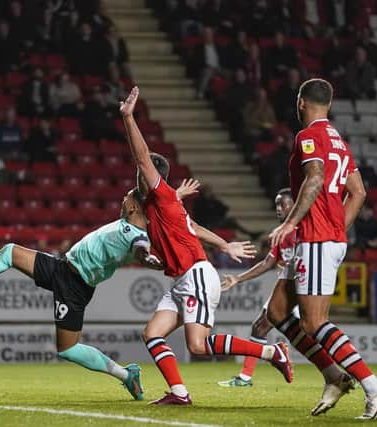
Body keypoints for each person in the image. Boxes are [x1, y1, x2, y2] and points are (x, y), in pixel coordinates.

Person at [0, 183, 200, 401]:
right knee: (9, 253)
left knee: (67, 348)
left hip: (74, 285)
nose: (123, 200)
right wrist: (175, 195)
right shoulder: (132, 222)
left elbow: (141, 249)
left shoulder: (137, 236)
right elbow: (153, 208)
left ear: (132, 208)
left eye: (126, 198)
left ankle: (126, 375)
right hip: (62, 268)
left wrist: (146, 258)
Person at [119, 87, 292, 406]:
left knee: (197, 346)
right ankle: (179, 393)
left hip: (195, 275)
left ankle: (271, 352)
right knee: (152, 334)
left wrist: (129, 117)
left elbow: (142, 157)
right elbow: (193, 227)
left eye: (141, 174)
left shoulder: (161, 194)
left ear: (152, 176)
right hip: (180, 279)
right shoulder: (165, 205)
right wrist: (225, 245)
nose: (138, 176)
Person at [267, 78, 377, 419]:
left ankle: (375, 387)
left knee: (315, 322)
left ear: (301, 102)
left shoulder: (309, 137)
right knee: (276, 311)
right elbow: (359, 191)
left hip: (317, 238)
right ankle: (334, 375)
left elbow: (315, 178)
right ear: (329, 105)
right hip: (321, 236)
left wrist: (291, 222)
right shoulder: (339, 140)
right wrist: (336, 228)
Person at [218, 188, 305, 387]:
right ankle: (246, 377)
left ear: (294, 205)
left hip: (305, 288)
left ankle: (342, 372)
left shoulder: (304, 229)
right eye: (276, 204)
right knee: (260, 326)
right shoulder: (282, 235)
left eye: (282, 204)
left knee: (313, 331)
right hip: (288, 288)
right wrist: (238, 279)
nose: (278, 209)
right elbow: (267, 263)